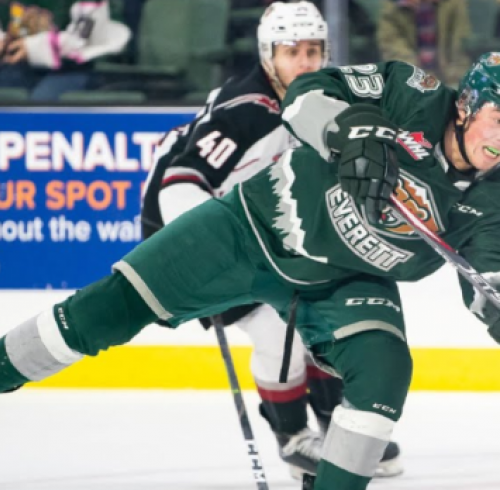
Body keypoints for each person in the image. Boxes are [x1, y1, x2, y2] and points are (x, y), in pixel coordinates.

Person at [0, 48, 500, 490]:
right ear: (466, 104)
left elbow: (497, 279)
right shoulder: (415, 93)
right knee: (105, 311)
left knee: (385, 373)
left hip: (346, 280)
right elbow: (308, 93)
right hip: (251, 227)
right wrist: (350, 130)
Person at [139, 1, 401, 480]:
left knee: (322, 305)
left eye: (313, 50)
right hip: (182, 230)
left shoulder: (321, 96)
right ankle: (293, 437)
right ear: (267, 54)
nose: (304, 61)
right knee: (275, 330)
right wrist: (200, 250)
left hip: (256, 225)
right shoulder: (249, 111)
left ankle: (333, 426)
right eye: (291, 51)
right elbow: (178, 183)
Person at [0, 0, 130, 101]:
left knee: (41, 105)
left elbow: (85, 38)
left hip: (72, 69)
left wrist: (32, 48)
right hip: (17, 67)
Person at [376, 0, 471, 87]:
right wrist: (420, 81)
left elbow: (461, 48)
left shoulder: (453, 4)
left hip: (453, 80)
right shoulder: (392, 7)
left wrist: (455, 83)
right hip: (414, 82)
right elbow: (394, 51)